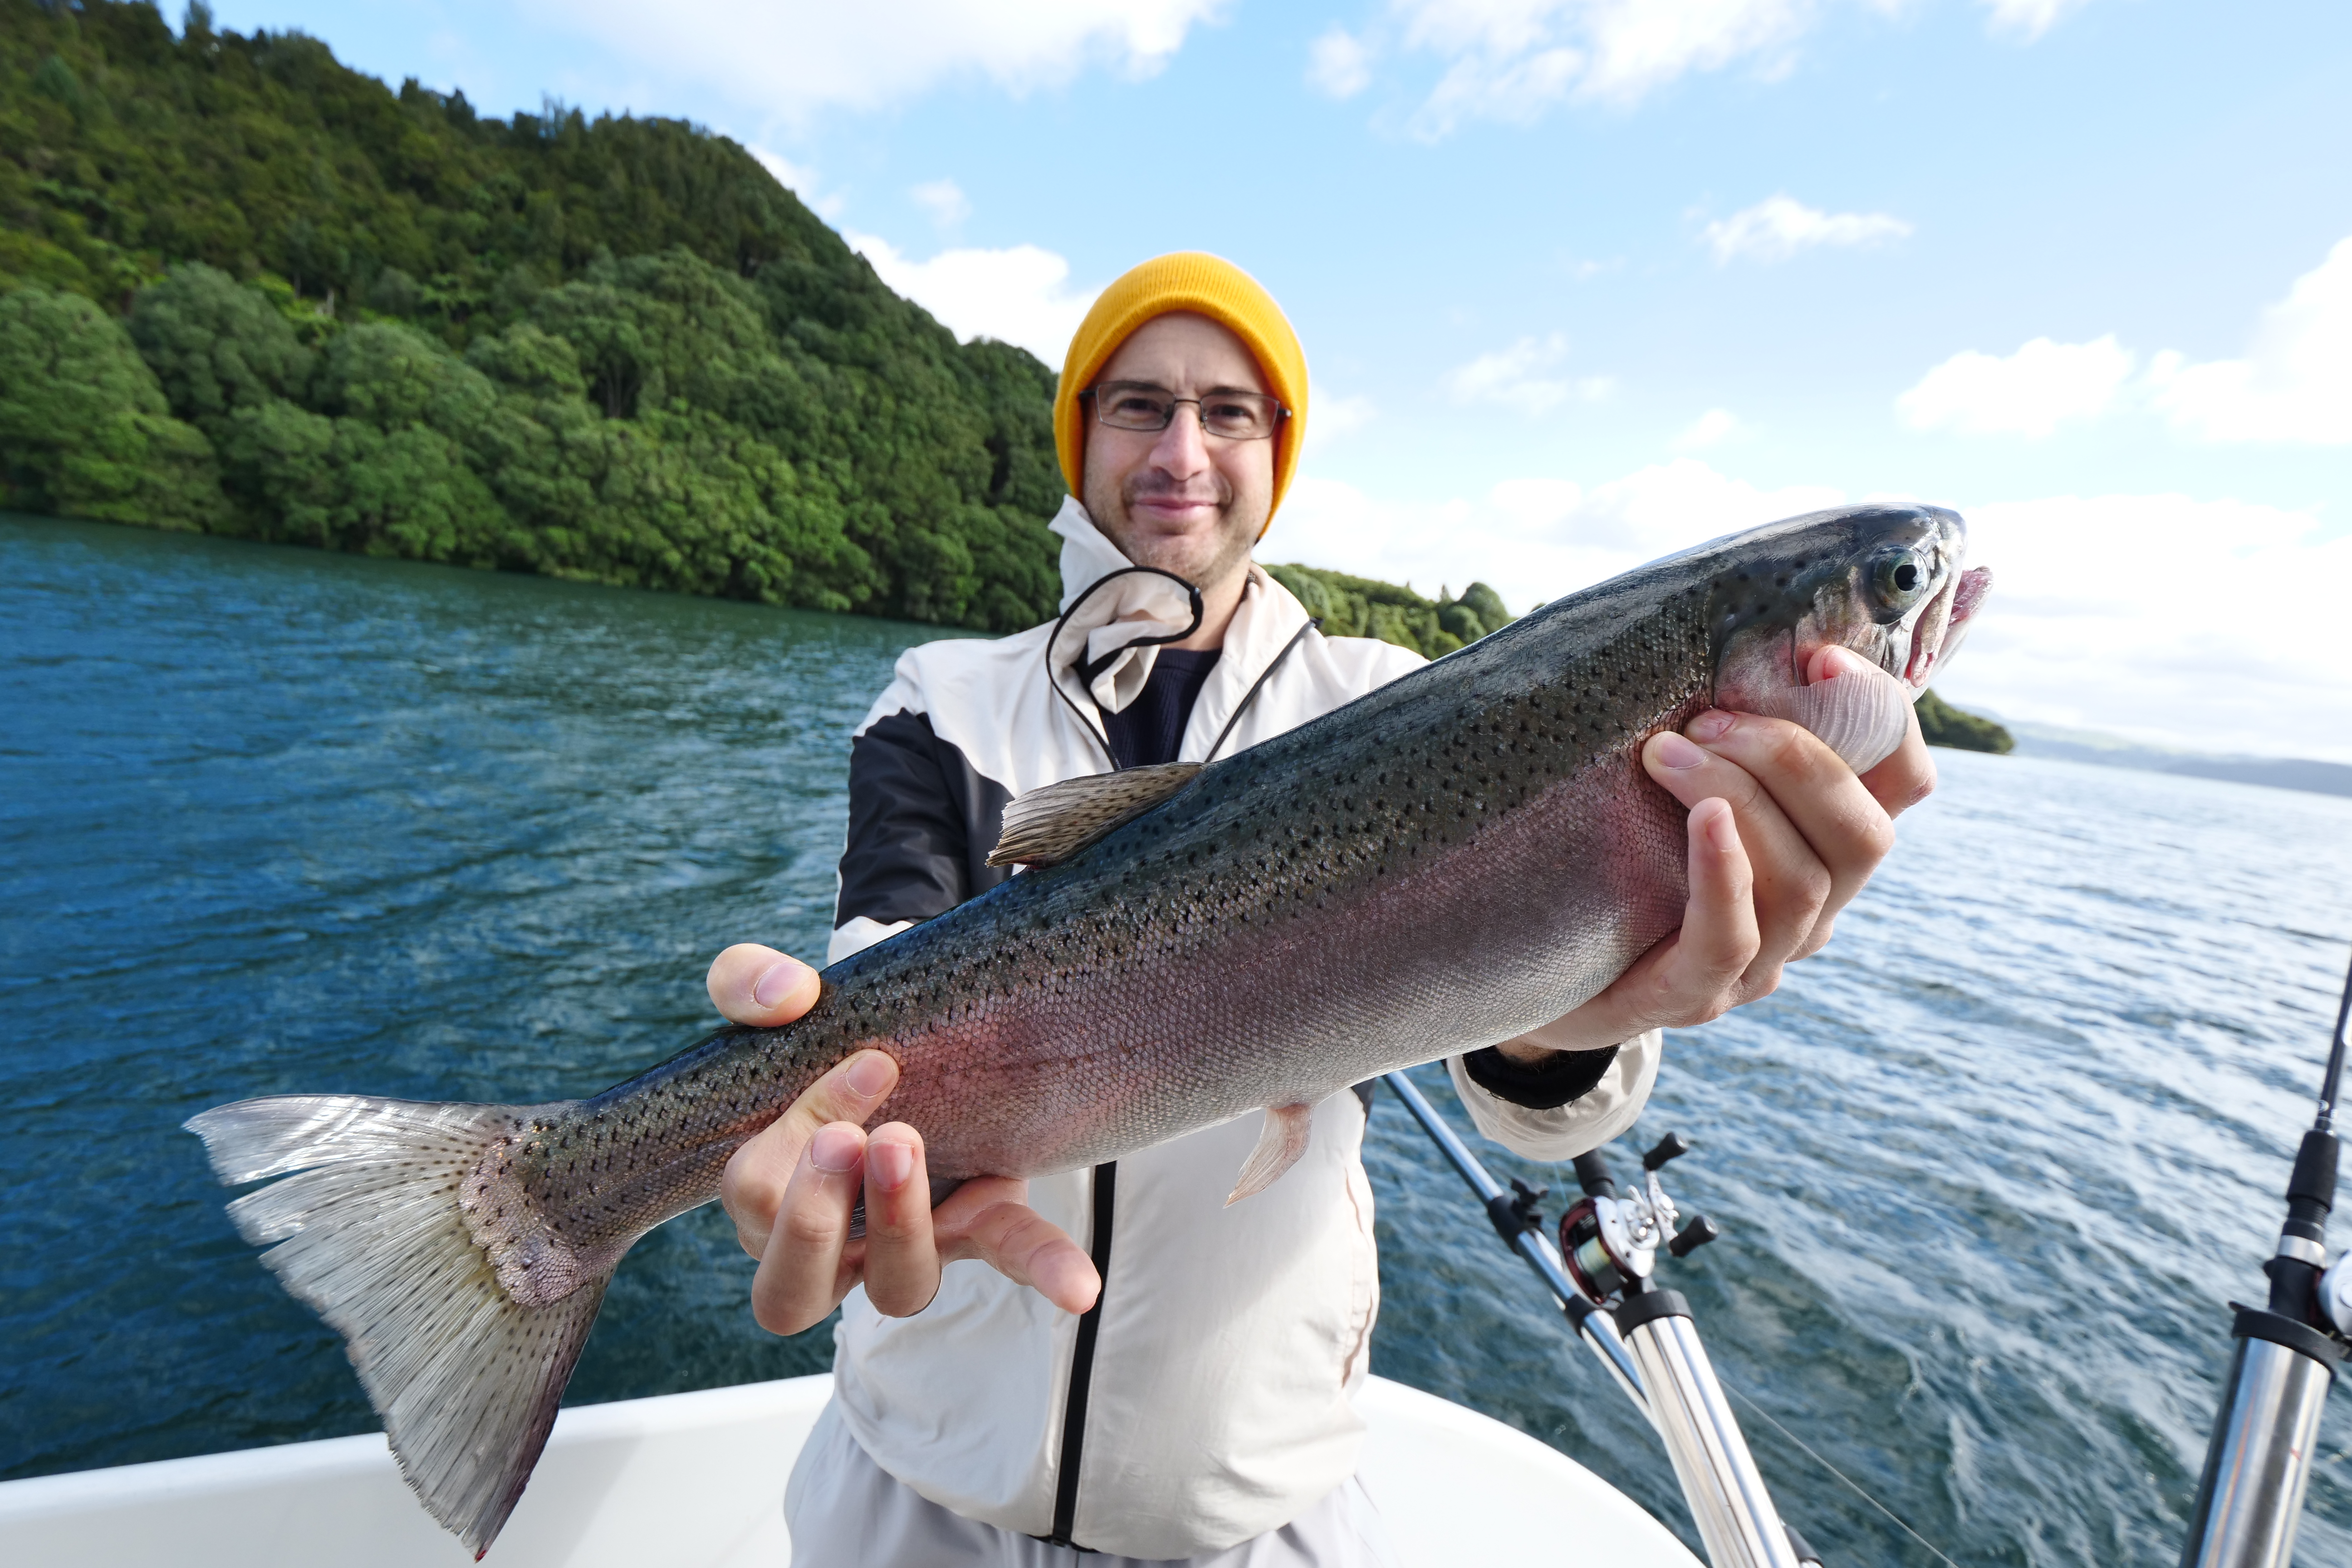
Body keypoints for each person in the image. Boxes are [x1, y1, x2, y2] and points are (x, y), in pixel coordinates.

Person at [704, 253, 1936, 1565]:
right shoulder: (937, 696)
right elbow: (882, 972)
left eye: (1230, 410)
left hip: (1255, 1499)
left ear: (1277, 449)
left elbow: (1536, 1096)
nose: (1184, 449)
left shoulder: (1393, 698)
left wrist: (1580, 1022)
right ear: (1079, 434)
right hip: (916, 1473)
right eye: (1138, 404)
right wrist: (810, 1149)